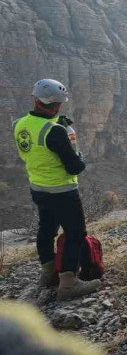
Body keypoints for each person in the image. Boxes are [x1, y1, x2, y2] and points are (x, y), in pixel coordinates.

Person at [12, 79, 100, 300]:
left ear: (35, 99)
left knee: (46, 229)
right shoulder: (56, 131)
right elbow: (75, 166)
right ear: (58, 104)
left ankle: (48, 272)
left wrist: (57, 126)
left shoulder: (19, 124)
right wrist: (80, 153)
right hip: (62, 190)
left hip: (38, 188)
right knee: (76, 233)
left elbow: (38, 143)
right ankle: (68, 283)